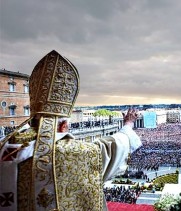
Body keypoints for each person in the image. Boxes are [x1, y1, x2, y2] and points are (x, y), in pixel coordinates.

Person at [0, 50, 141, 211]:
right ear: (63, 124)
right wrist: (128, 124)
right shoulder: (76, 153)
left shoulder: (4, 147)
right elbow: (114, 147)